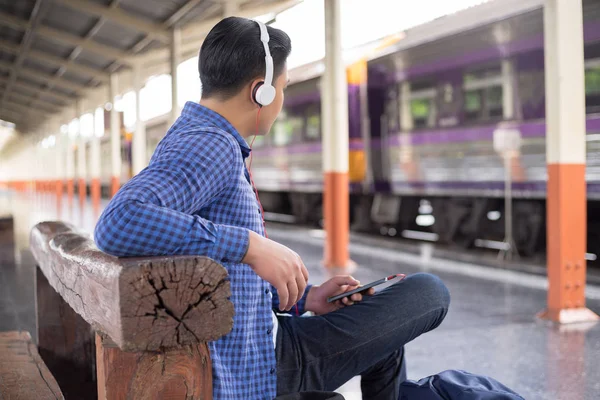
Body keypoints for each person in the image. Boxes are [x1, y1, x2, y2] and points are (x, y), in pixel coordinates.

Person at [94, 16, 450, 400]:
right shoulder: (210, 144)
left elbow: (231, 278)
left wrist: (306, 299)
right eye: (282, 87)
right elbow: (118, 221)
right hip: (262, 365)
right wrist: (251, 245)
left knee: (385, 340)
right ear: (259, 92)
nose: (281, 98)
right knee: (430, 292)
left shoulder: (204, 138)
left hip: (265, 338)